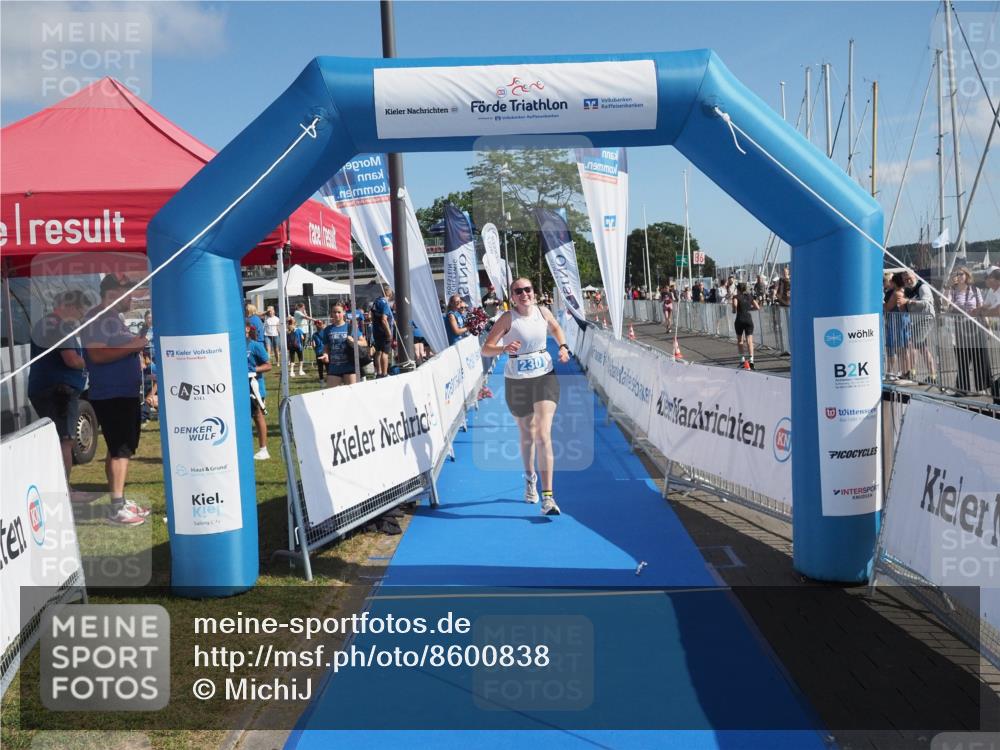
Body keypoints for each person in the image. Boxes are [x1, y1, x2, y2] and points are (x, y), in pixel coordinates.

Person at [482, 278, 571, 516]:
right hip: (517, 382)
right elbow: (485, 348)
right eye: (518, 291)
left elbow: (555, 328)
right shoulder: (507, 318)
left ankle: (548, 497)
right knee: (528, 434)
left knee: (543, 434)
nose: (524, 294)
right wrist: (503, 349)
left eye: (528, 289)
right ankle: (530, 478)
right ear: (512, 296)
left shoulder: (543, 312)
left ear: (534, 292)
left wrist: (563, 347)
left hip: (544, 376)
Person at [81, 275, 151, 526]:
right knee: (121, 448)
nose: (131, 298)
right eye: (127, 293)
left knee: (117, 449)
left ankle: (118, 502)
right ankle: (117, 508)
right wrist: (134, 347)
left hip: (122, 392)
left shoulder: (111, 318)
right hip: (113, 394)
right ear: (112, 293)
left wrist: (137, 340)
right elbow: (97, 354)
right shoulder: (99, 318)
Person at [27, 290, 89, 478]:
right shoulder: (59, 327)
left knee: (59, 439)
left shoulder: (46, 324)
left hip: (47, 387)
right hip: (59, 391)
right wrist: (89, 362)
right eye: (80, 310)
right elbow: (71, 359)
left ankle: (61, 487)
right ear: (68, 306)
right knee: (65, 440)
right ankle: (66, 491)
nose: (81, 316)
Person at [947, 267, 990, 394]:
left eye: (961, 274)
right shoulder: (952, 291)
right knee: (962, 358)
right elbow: (945, 303)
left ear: (966, 276)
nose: (958, 276)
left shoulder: (975, 290)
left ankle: (981, 388)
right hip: (960, 328)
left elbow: (981, 309)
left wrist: (987, 327)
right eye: (956, 274)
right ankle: (962, 389)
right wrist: (949, 286)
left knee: (979, 357)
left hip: (976, 326)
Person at [318, 304, 366, 387]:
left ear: (344, 313)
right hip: (334, 367)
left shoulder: (351, 327)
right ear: (331, 314)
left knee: (352, 394)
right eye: (334, 312)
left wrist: (354, 341)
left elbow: (364, 342)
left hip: (350, 366)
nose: (336, 314)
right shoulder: (327, 329)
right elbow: (326, 347)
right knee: (332, 394)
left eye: (339, 312)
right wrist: (325, 355)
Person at [904, 270, 937, 383]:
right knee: (923, 348)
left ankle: (912, 372)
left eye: (910, 278)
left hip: (926, 319)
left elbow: (926, 303)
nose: (908, 281)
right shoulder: (908, 289)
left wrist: (909, 302)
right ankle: (932, 375)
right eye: (906, 279)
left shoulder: (922, 287)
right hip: (916, 321)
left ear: (915, 277)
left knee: (912, 345)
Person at [246, 320, 271, 460]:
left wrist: (251, 370)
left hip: (255, 388)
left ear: (248, 329)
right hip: (239, 388)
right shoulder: (235, 345)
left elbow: (268, 366)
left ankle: (263, 449)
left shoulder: (255, 346)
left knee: (257, 416)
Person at [884, 272, 913, 382]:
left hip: (897, 322)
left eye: (891, 281)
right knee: (903, 348)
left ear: (895, 282)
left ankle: (895, 371)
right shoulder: (903, 291)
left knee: (895, 347)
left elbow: (887, 308)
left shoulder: (897, 293)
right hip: (902, 321)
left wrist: (881, 301)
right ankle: (905, 371)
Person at [732, 281, 760, 369]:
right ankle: (751, 360)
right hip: (748, 319)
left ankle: (742, 360)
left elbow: (735, 305)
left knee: (740, 341)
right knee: (749, 341)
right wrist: (749, 309)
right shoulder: (749, 296)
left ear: (738, 289)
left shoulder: (736, 297)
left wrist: (734, 310)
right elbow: (757, 307)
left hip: (739, 319)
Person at [370, 285, 395, 377]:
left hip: (376, 330)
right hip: (384, 331)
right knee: (385, 352)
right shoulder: (385, 304)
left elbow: (371, 316)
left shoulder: (376, 301)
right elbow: (384, 319)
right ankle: (384, 373)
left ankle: (379, 372)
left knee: (378, 352)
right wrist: (389, 333)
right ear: (389, 293)